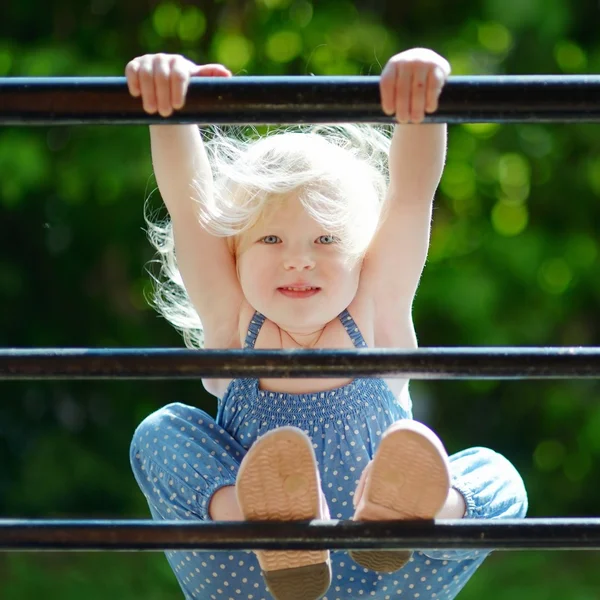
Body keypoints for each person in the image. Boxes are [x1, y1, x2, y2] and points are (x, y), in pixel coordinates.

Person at [127, 48, 528, 600]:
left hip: (393, 565)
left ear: (361, 255)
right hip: (251, 570)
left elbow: (411, 198)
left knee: (496, 475)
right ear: (234, 256)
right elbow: (187, 202)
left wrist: (420, 99)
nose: (299, 259)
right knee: (160, 433)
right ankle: (267, 522)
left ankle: (414, 508)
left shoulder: (373, 312)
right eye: (270, 239)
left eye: (325, 240)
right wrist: (171, 108)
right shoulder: (232, 323)